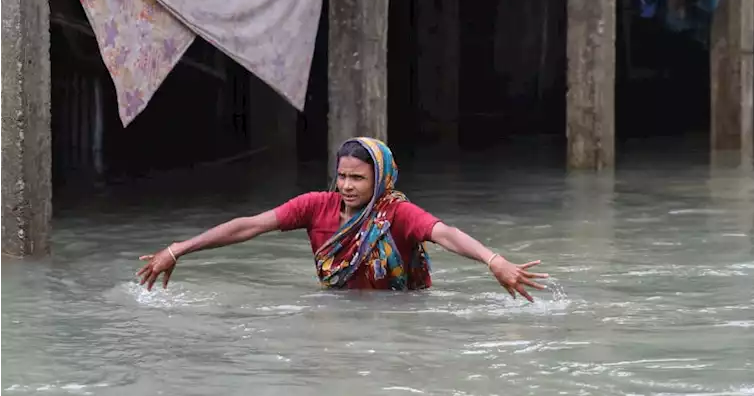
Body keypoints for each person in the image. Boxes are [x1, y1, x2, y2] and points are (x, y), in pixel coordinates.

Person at [135, 137, 548, 301]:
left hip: (401, 311)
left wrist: (495, 262)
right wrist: (179, 249)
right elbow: (250, 225)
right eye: (342, 176)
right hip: (338, 309)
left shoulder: (397, 212)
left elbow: (445, 234)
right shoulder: (316, 206)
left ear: (380, 178)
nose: (347, 185)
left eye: (358, 178)